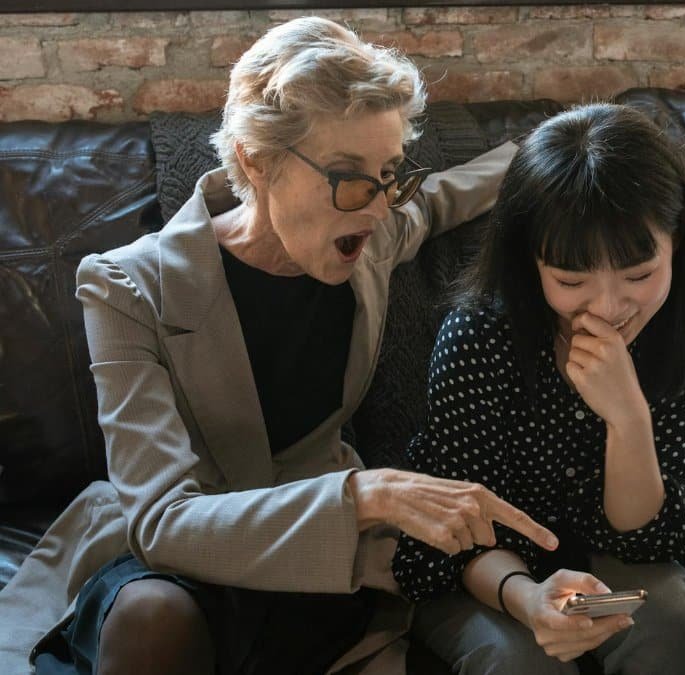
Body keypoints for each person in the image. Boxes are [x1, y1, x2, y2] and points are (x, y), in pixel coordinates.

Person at [0, 16, 558, 675]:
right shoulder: (126, 286)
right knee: (154, 620)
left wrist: (545, 147)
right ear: (254, 160)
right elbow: (161, 522)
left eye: (389, 174)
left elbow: (432, 204)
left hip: (315, 554)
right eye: (352, 176)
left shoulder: (370, 234)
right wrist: (365, 494)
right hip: (180, 559)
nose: (379, 208)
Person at [390, 103, 685, 674]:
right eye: (571, 280)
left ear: (677, 244)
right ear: (532, 263)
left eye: (640, 275)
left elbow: (648, 541)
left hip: (617, 555)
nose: (609, 308)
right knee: (522, 660)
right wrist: (527, 598)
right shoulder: (479, 335)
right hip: (487, 571)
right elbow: (454, 533)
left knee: (669, 628)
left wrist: (628, 419)